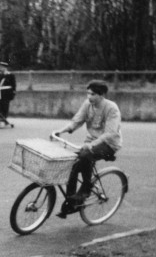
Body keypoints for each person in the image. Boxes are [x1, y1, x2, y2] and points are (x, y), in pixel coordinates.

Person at [52, 79, 122, 218]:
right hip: (90, 143)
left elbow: (110, 132)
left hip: (109, 144)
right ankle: (71, 201)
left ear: (102, 95)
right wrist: (61, 131)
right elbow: (77, 121)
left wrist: (91, 144)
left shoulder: (111, 108)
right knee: (72, 166)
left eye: (93, 94)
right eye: (88, 93)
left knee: (85, 156)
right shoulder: (87, 104)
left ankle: (85, 190)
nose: (89, 97)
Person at [0, 61, 16, 126]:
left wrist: (13, 93)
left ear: (5, 68)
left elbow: (13, 85)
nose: (0, 68)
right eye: (0, 67)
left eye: (1, 67)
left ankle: (4, 119)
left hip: (7, 93)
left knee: (5, 106)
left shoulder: (10, 75)